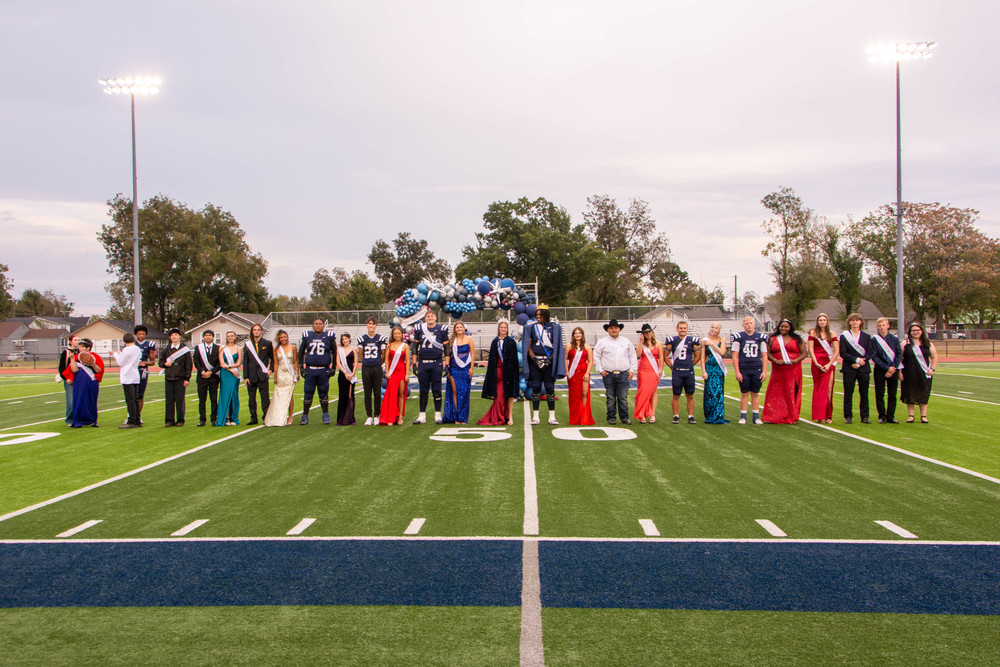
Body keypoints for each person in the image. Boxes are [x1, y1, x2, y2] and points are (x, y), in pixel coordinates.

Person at [522, 305, 566, 425]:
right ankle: (535, 416)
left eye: (540, 316)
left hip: (549, 362)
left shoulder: (554, 327)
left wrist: (549, 360)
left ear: (545, 315)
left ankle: (552, 416)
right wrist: (535, 359)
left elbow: (556, 346)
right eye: (536, 316)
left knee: (550, 388)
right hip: (535, 362)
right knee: (535, 387)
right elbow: (528, 346)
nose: (538, 318)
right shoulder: (531, 328)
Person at [762, 319, 808, 424]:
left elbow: (804, 353)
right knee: (776, 392)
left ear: (790, 327)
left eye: (786, 327)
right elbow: (767, 353)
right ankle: (774, 416)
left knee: (791, 392)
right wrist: (774, 360)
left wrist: (796, 360)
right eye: (782, 326)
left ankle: (792, 415)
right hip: (778, 369)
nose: (783, 328)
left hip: (793, 369)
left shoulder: (797, 339)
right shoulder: (773, 339)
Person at [593, 318, 636, 425]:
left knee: (623, 397)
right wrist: (600, 370)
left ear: (619, 329)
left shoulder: (626, 341)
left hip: (623, 373)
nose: (614, 330)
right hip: (608, 374)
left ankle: (624, 417)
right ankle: (611, 417)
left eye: (616, 328)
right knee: (611, 397)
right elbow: (596, 356)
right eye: (611, 328)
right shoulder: (602, 342)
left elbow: (633, 356)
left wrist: (631, 370)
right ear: (607, 330)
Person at [411, 309, 450, 424]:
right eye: (428, 315)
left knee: (437, 390)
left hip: (436, 363)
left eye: (432, 315)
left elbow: (447, 349)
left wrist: (446, 364)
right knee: (423, 390)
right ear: (425, 318)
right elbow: (414, 347)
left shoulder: (441, 329)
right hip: (423, 362)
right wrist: (414, 363)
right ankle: (421, 416)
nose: (430, 317)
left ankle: (438, 415)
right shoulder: (419, 329)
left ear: (435, 317)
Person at [479, 320, 519, 426]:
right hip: (498, 372)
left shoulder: (511, 341)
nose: (503, 329)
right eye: (501, 327)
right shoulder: (494, 341)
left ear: (507, 329)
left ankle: (509, 416)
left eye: (505, 327)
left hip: (509, 372)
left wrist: (514, 373)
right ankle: (498, 417)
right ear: (498, 329)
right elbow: (492, 359)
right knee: (499, 397)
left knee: (509, 395)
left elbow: (514, 359)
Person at [731, 316, 768, 425]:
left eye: (750, 323)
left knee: (755, 393)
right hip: (744, 368)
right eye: (746, 323)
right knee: (744, 393)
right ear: (743, 325)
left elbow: (765, 356)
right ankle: (743, 416)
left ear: (754, 324)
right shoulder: (739, 337)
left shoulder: (761, 337)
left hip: (756, 368)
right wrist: (737, 371)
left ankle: (756, 417)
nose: (749, 325)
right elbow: (735, 356)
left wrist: (764, 371)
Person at [298, 318, 336, 425]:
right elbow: (300, 352)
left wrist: (333, 366)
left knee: (323, 393)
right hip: (310, 369)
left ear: (323, 326)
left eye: (320, 324)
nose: (318, 325)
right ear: (313, 325)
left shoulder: (329, 336)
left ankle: (325, 414)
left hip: (323, 370)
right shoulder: (307, 336)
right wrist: (301, 367)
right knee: (308, 393)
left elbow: (334, 351)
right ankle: (305, 415)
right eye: (316, 324)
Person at [664, 321, 701, 424]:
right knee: (676, 394)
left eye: (684, 328)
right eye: (681, 328)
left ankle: (691, 416)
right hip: (677, 372)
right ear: (677, 329)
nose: (683, 330)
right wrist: (671, 366)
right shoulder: (673, 340)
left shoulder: (692, 340)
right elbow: (665, 355)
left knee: (690, 395)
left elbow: (698, 356)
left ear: (687, 329)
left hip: (689, 372)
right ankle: (676, 415)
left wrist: (690, 364)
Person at [900, 321, 937, 423]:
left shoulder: (928, 343)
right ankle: (911, 415)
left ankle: (923, 416)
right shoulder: (905, 343)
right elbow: (899, 359)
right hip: (909, 372)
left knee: (923, 392)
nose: (915, 332)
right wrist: (900, 373)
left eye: (917, 330)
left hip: (923, 372)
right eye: (913, 330)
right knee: (910, 393)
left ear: (921, 331)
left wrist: (932, 369)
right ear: (910, 332)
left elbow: (934, 357)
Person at [62, 338, 104, 427]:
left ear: (88, 348)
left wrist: (93, 364)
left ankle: (92, 419)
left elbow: (99, 370)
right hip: (80, 380)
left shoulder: (95, 356)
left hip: (91, 381)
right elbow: (74, 370)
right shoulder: (77, 357)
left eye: (82, 347)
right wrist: (72, 360)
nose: (80, 348)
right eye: (80, 346)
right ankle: (78, 420)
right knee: (79, 399)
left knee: (91, 399)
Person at [868, 316, 903, 424]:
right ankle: (882, 416)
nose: (882, 327)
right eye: (880, 326)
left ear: (888, 326)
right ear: (877, 327)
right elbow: (874, 356)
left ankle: (890, 416)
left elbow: (898, 354)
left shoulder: (894, 339)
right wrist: (886, 368)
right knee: (880, 393)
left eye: (884, 325)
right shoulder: (874, 340)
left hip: (893, 369)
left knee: (892, 394)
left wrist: (892, 368)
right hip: (880, 369)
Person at [839, 313, 872, 424]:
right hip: (849, 368)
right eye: (852, 320)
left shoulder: (866, 337)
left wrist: (862, 362)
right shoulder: (844, 336)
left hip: (863, 368)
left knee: (864, 393)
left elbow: (870, 352)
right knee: (848, 393)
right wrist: (856, 360)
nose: (855, 322)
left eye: (857, 320)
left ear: (860, 322)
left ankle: (865, 416)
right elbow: (843, 353)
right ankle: (848, 416)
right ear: (849, 322)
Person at [807, 313, 840, 424]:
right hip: (817, 363)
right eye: (820, 320)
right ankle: (820, 415)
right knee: (819, 389)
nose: (822, 322)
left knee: (829, 389)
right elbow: (810, 349)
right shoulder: (813, 333)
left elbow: (836, 351)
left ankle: (828, 415)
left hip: (828, 363)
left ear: (827, 322)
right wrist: (816, 362)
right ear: (817, 322)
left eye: (824, 320)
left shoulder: (832, 334)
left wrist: (830, 364)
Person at [441, 321, 475, 424]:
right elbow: (447, 355)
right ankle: (456, 416)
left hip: (465, 369)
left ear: (464, 328)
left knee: (464, 393)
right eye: (457, 327)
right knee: (455, 392)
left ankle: (462, 417)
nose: (459, 329)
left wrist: (471, 368)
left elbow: (473, 355)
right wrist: (447, 368)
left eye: (461, 327)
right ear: (455, 329)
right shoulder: (451, 341)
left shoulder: (469, 339)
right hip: (454, 369)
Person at [357, 317, 388, 426]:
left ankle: (376, 416)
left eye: (373, 324)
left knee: (377, 392)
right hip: (366, 367)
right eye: (369, 323)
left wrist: (379, 363)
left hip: (376, 367)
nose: (371, 325)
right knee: (367, 393)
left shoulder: (381, 338)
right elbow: (360, 354)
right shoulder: (362, 338)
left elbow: (384, 354)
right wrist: (366, 361)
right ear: (367, 325)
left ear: (376, 325)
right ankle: (369, 416)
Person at [264, 329, 299, 427]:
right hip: (280, 373)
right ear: (279, 339)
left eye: (285, 337)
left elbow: (295, 361)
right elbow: (275, 363)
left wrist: (297, 373)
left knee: (289, 395)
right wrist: (275, 376)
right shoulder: (276, 349)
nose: (284, 339)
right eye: (282, 337)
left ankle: (290, 416)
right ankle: (277, 417)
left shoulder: (293, 347)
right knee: (278, 396)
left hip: (290, 373)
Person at [159, 328, 192, 427]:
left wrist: (187, 378)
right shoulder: (166, 350)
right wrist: (165, 364)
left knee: (180, 400)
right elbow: (160, 363)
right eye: (172, 335)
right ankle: (169, 420)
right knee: (169, 401)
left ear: (180, 336)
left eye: (176, 335)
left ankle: (180, 420)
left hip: (180, 378)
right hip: (169, 379)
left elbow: (188, 365)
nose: (174, 337)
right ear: (170, 337)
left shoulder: (184, 350)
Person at [243, 323, 274, 426]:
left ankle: (266, 418)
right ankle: (253, 418)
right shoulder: (248, 345)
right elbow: (245, 361)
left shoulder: (267, 343)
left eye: (258, 330)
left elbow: (273, 359)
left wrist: (270, 370)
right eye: (254, 330)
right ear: (252, 332)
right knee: (251, 399)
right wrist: (245, 377)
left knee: (265, 399)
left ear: (261, 331)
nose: (256, 331)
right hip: (251, 376)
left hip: (262, 375)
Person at [565, 326, 595, 426]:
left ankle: (584, 417)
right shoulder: (569, 345)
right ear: (573, 335)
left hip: (584, 373)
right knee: (574, 396)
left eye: (579, 333)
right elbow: (565, 359)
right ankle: (575, 418)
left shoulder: (587, 347)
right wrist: (567, 371)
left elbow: (591, 361)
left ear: (582, 335)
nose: (577, 335)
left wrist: (587, 373)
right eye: (576, 333)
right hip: (573, 373)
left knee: (584, 395)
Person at [379, 326, 410, 426]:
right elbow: (387, 360)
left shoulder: (405, 346)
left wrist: (407, 374)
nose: (397, 335)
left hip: (401, 371)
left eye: (399, 333)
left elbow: (408, 361)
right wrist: (387, 372)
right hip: (392, 372)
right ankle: (391, 417)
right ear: (393, 335)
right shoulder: (389, 345)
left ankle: (400, 416)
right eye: (395, 333)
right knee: (391, 395)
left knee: (401, 394)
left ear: (402, 335)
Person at [700, 322, 729, 424]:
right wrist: (703, 371)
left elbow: (722, 352)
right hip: (709, 368)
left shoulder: (722, 339)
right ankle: (710, 415)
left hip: (718, 368)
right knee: (709, 392)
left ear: (719, 330)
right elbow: (702, 358)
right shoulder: (704, 340)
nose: (713, 329)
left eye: (716, 328)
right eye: (712, 327)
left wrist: (712, 344)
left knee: (719, 392)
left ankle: (718, 415)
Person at [633, 324, 662, 424]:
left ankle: (652, 414)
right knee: (642, 392)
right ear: (643, 334)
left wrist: (661, 369)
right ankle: (642, 414)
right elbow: (638, 354)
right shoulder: (641, 343)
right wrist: (640, 342)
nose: (648, 334)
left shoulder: (658, 343)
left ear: (652, 332)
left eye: (650, 332)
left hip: (654, 370)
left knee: (653, 392)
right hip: (643, 370)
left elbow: (661, 357)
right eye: (646, 333)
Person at [112, 332, 142, 429]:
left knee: (130, 400)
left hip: (127, 376)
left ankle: (132, 420)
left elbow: (121, 362)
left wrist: (116, 354)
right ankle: (137, 419)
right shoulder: (137, 349)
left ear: (125, 342)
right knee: (135, 399)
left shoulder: (126, 350)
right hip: (135, 376)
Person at [193, 330, 221, 427]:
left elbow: (219, 363)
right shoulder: (198, 348)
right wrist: (202, 372)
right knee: (202, 399)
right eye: (206, 335)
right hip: (202, 377)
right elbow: (196, 361)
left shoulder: (218, 348)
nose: (208, 337)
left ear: (213, 337)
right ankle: (202, 419)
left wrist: (211, 372)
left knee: (213, 399)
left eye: (210, 335)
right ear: (203, 337)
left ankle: (214, 419)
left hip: (213, 377)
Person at [133, 324, 157, 426]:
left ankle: (138, 416)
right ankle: (130, 415)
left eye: (143, 334)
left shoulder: (149, 344)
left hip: (142, 371)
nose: (141, 336)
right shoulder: (131, 344)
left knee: (140, 395)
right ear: (135, 334)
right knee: (132, 395)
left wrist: (144, 363)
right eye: (139, 334)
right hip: (132, 371)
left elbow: (152, 362)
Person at [217, 331, 242, 426]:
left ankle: (233, 418)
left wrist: (231, 367)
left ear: (235, 337)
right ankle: (225, 418)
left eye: (232, 336)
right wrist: (231, 370)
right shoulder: (222, 348)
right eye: (228, 336)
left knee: (234, 395)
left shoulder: (239, 348)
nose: (230, 337)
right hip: (226, 374)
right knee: (225, 395)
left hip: (235, 375)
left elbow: (239, 363)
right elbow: (222, 363)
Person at [335, 333, 359, 425]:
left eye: (346, 338)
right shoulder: (339, 349)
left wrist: (352, 373)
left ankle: (350, 418)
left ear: (349, 339)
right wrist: (345, 372)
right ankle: (341, 419)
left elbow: (356, 362)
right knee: (342, 396)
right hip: (342, 375)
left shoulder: (354, 349)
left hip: (351, 375)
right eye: (343, 339)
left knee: (350, 396)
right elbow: (338, 362)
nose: (344, 340)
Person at [58, 334, 80, 425]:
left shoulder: (80, 351)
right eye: (75, 340)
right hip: (70, 380)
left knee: (80, 399)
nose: (77, 342)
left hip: (79, 379)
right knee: (71, 400)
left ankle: (79, 417)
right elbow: (61, 367)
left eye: (78, 340)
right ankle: (70, 419)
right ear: (70, 342)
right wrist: (66, 378)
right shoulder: (66, 352)